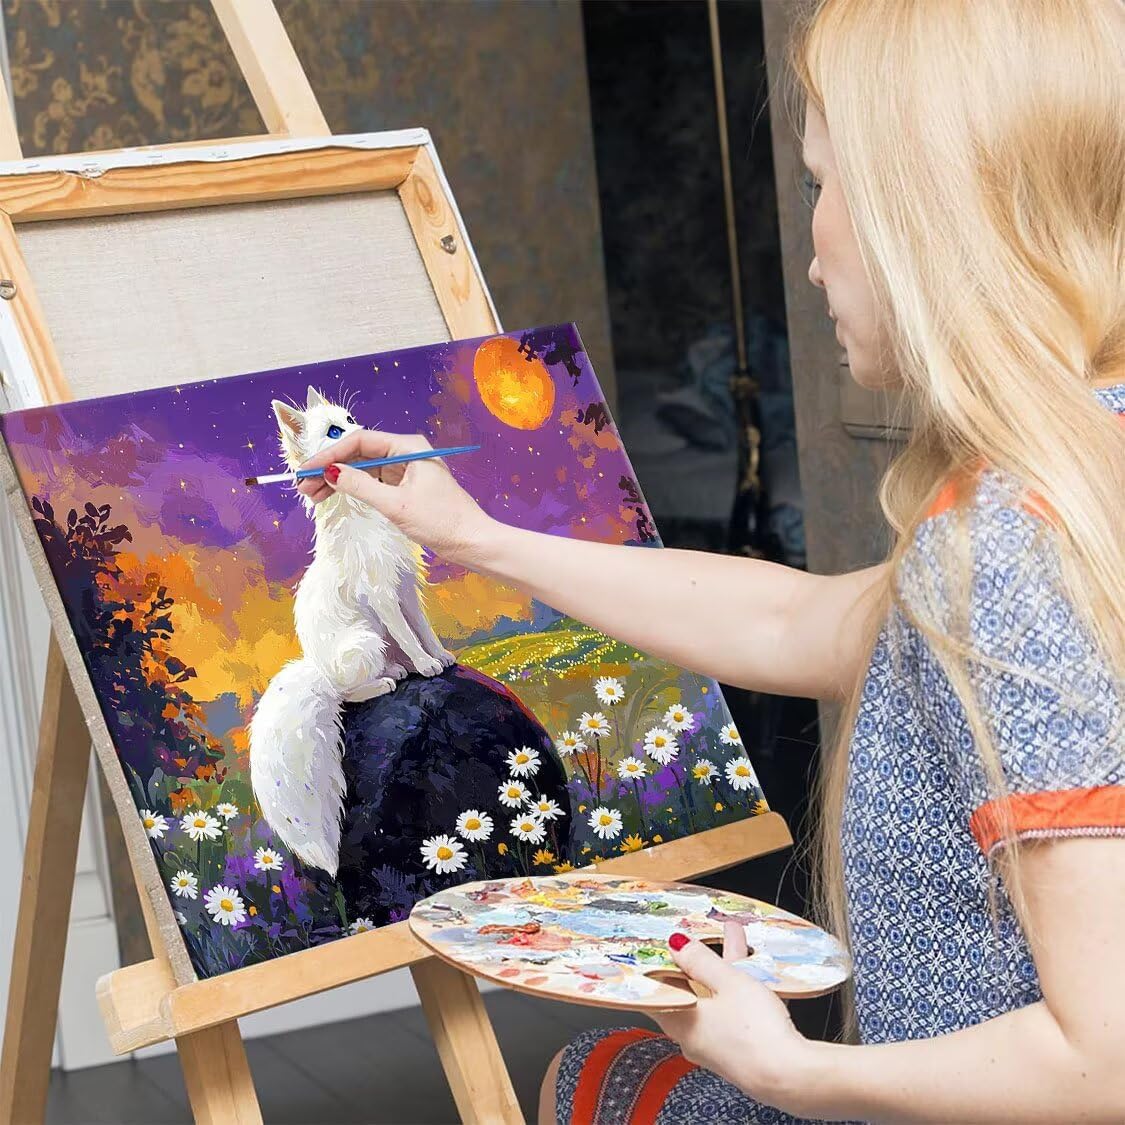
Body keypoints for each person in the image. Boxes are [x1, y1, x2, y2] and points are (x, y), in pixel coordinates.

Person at [299, 0, 1125, 1118]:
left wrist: (794, 1070)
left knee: (595, 1080)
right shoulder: (1083, 467)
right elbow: (799, 624)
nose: (814, 248)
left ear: (928, 217)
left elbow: (1104, 1058)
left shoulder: (1012, 542)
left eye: (825, 184)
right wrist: (477, 537)